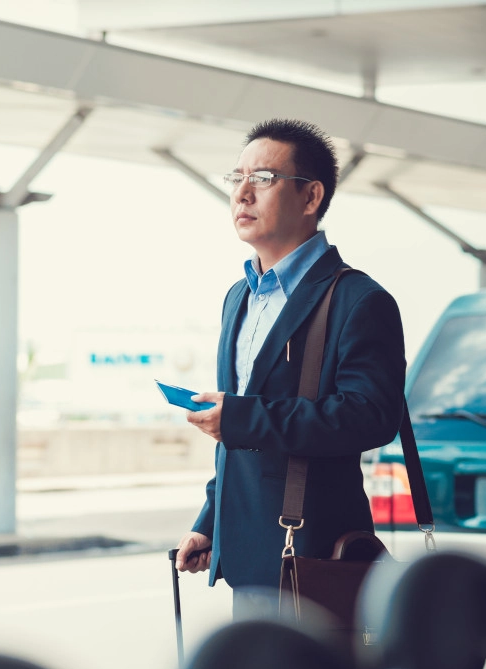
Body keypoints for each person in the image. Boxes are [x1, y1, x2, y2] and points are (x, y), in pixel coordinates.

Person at [174, 118, 406, 621]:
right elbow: (238, 438)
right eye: (236, 178)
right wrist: (210, 522)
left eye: (261, 179)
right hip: (247, 555)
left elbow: (370, 417)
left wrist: (242, 417)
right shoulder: (238, 297)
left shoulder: (359, 300)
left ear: (310, 196)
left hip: (314, 555)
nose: (241, 194)